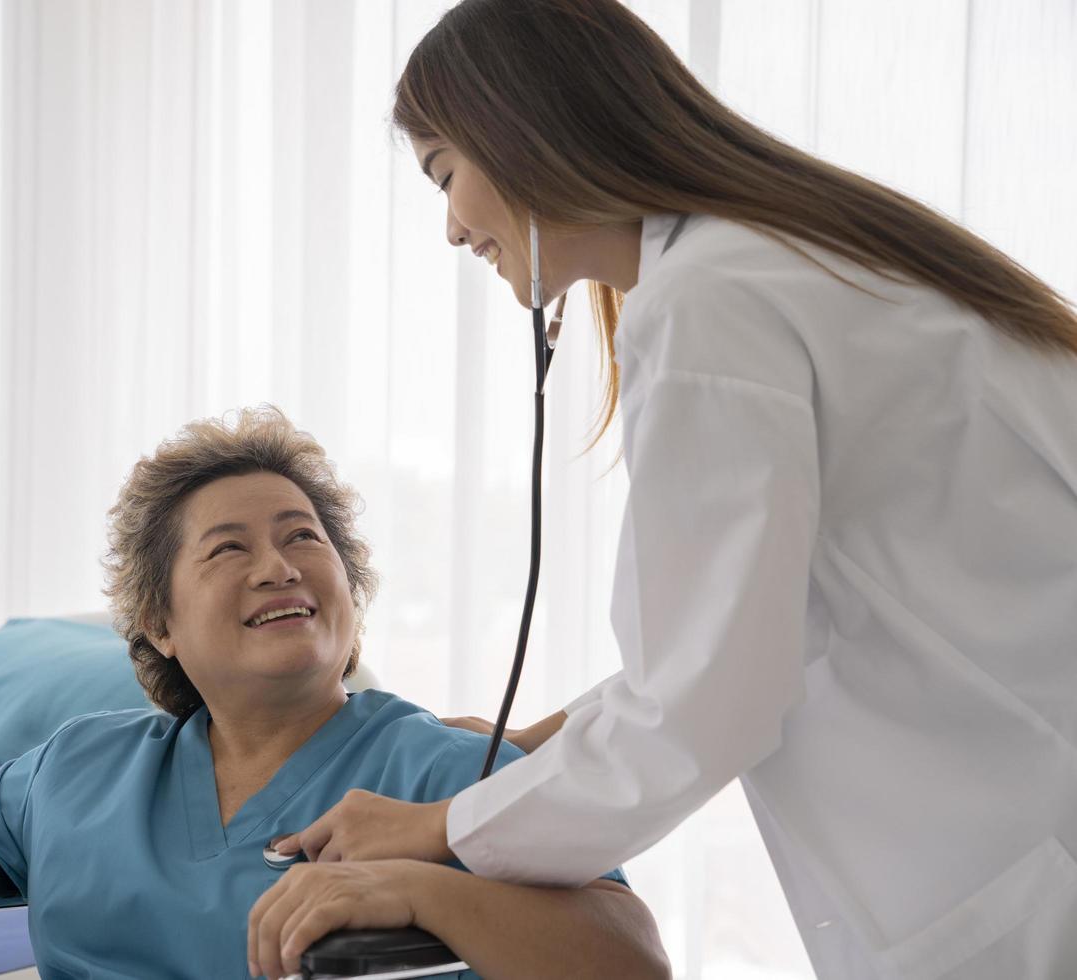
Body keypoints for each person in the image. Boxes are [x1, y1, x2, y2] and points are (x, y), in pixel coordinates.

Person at [259, 2, 1077, 978]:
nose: (450, 228)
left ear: (519, 130)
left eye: (445, 174)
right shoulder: (796, 253)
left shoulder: (708, 302)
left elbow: (708, 703)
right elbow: (768, 627)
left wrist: (442, 831)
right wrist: (543, 740)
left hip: (1018, 856)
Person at [0, 407, 668, 980]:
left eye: (304, 537)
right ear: (161, 624)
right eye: (227, 550)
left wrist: (419, 890)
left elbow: (633, 958)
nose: (280, 565)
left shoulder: (445, 768)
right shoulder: (77, 766)